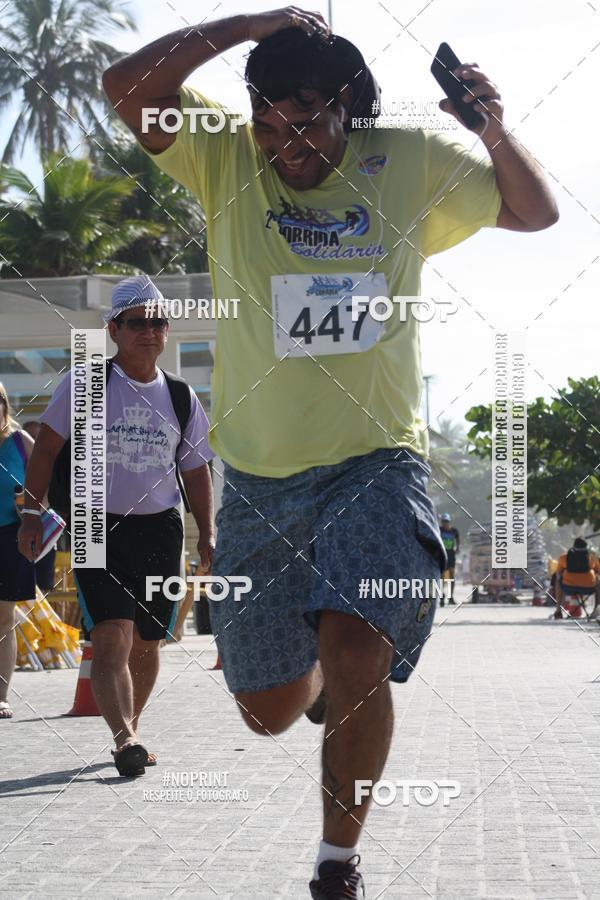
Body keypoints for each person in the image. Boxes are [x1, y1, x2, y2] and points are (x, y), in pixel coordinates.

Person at [103, 9, 558, 895]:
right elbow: (125, 86)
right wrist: (251, 22)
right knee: (268, 712)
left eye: (307, 121)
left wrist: (491, 125)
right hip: (264, 478)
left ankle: (335, 863)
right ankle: (307, 681)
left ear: (351, 104)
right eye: (269, 122)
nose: (287, 143)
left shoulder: (407, 161)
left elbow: (535, 212)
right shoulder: (225, 156)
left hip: (374, 457)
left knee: (359, 651)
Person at [18, 276, 215, 775]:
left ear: (167, 331)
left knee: (147, 641)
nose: (148, 332)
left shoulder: (181, 396)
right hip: (93, 523)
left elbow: (195, 469)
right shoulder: (85, 383)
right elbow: (47, 448)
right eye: (136, 323)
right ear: (113, 330)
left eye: (157, 323)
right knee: (112, 635)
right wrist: (30, 511)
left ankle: (132, 727)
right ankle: (124, 735)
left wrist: (209, 532)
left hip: (160, 530)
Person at [0, 384, 36, 719]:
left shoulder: (20, 441)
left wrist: (31, 507)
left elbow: (48, 481)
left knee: (3, 618)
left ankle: (1, 695)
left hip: (12, 535)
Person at [22, 421, 58, 596]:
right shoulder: (18, 456)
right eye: (31, 438)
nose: (36, 443)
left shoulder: (53, 464)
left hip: (47, 531)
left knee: (43, 593)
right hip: (17, 533)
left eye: (38, 438)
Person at [555, 538, 600, 618]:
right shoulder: (592, 558)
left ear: (573, 547)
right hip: (589, 588)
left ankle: (558, 610)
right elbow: (598, 572)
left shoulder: (563, 558)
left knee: (558, 581)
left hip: (568, 588)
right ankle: (596, 609)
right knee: (598, 581)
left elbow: (558, 573)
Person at [439, 513, 460, 606]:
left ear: (449, 521)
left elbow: (458, 538)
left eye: (446, 521)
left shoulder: (454, 530)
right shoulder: (440, 530)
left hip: (451, 555)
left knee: (452, 576)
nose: (445, 523)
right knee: (443, 577)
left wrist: (457, 547)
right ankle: (441, 597)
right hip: (442, 555)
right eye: (443, 521)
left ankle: (451, 597)